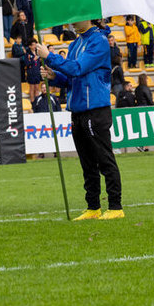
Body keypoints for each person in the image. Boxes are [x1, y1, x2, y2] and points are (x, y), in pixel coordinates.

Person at [36, 20, 122, 220]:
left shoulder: (99, 41)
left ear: (88, 17)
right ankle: (93, 207)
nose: (72, 22)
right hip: (77, 110)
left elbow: (77, 68)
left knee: (104, 159)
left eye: (76, 18)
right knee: (87, 163)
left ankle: (116, 206)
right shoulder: (75, 44)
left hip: (95, 110)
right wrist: (54, 76)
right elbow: (70, 78)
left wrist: (49, 56)